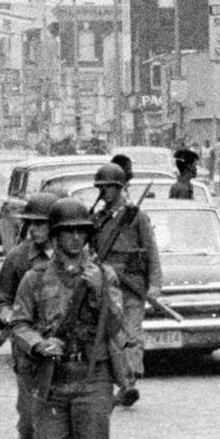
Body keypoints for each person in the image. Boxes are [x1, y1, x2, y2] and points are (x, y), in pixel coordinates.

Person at [8, 198, 126, 439]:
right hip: (53, 379)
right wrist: (39, 344)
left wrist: (99, 292)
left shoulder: (104, 275)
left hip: (93, 376)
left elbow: (116, 326)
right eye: (67, 232)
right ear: (56, 236)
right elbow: (19, 323)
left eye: (81, 231)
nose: (75, 238)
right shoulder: (35, 278)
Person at [0, 191, 59, 439]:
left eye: (41, 224)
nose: (34, 230)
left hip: (62, 351)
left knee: (60, 419)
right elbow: (0, 296)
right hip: (28, 352)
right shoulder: (18, 258)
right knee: (30, 418)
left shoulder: (73, 257)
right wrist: (5, 314)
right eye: (31, 224)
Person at [91, 162, 162, 408]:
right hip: (108, 284)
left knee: (132, 334)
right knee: (114, 336)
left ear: (120, 188)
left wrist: (155, 284)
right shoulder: (97, 219)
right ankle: (124, 382)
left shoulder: (136, 216)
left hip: (133, 283)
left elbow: (151, 250)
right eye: (101, 187)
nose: (104, 192)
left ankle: (130, 382)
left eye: (109, 187)